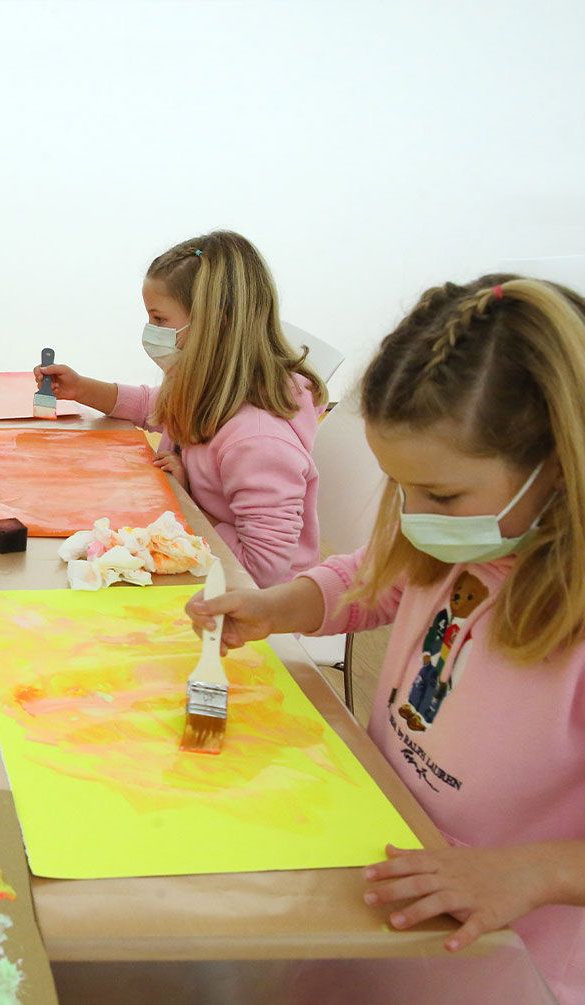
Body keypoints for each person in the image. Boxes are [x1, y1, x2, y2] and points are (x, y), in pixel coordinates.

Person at [187, 276, 585, 1004]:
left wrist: (538, 870)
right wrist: (283, 603)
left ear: (557, 462)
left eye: (442, 496)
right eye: (399, 486)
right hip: (382, 865)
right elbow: (374, 579)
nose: (413, 513)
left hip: (508, 951)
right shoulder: (463, 539)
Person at [37, 230, 325, 587]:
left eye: (159, 319)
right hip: (202, 563)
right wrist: (82, 389)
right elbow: (153, 405)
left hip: (251, 605)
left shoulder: (258, 440)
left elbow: (262, 567)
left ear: (215, 323)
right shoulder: (214, 391)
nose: (150, 330)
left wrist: (186, 502)